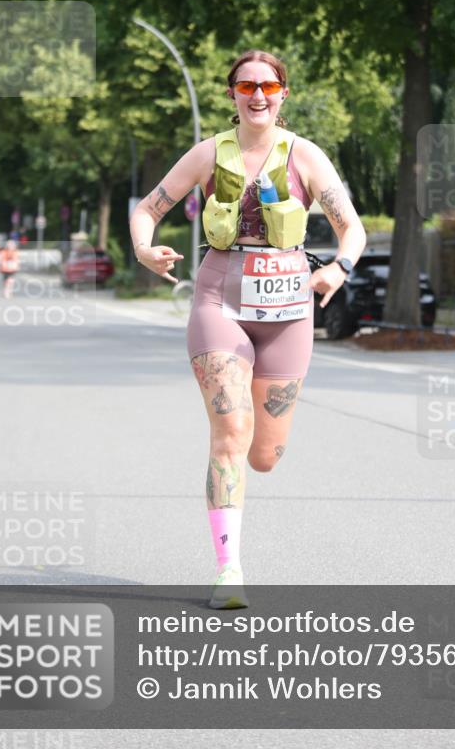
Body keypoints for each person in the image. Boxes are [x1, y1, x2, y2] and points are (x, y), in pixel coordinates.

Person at [130, 49, 366, 608]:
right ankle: (228, 569)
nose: (257, 94)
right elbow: (148, 208)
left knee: (264, 454)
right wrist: (144, 249)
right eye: (246, 85)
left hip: (288, 310)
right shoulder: (209, 155)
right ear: (232, 93)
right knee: (230, 434)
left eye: (268, 84)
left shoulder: (305, 157)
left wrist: (338, 267)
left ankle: (259, 462)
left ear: (284, 93)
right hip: (220, 299)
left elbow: (351, 229)